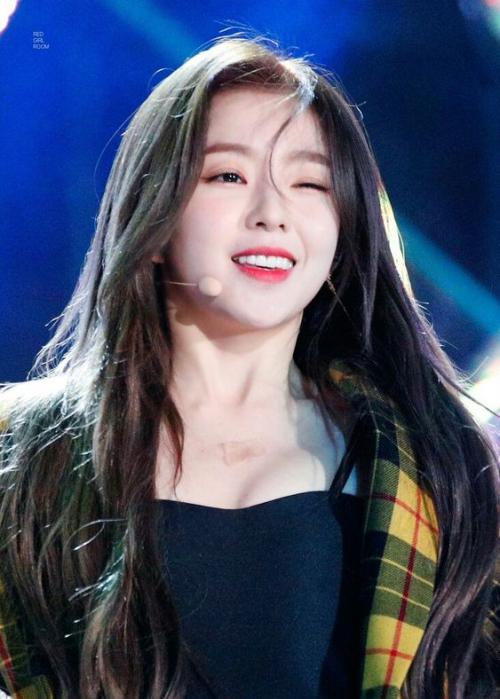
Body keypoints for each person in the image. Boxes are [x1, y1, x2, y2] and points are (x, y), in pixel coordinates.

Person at [0, 34, 498, 699]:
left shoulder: (433, 461)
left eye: (310, 183)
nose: (272, 214)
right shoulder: (23, 453)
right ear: (153, 213)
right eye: (228, 176)